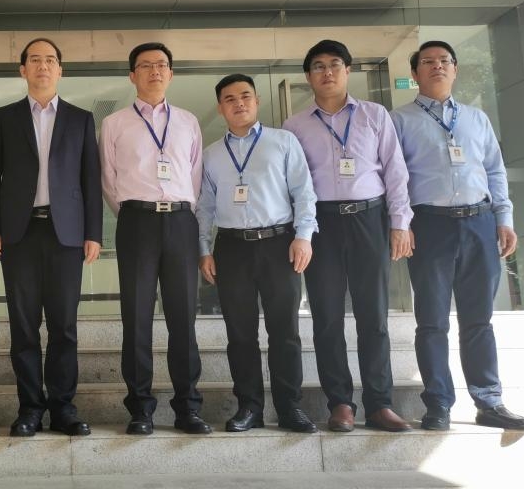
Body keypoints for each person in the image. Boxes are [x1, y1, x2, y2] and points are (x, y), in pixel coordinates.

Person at [390, 40, 524, 431]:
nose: (437, 66)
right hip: (430, 225)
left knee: (479, 320)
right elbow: (395, 178)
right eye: (427, 61)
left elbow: (495, 171)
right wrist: (401, 224)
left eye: (444, 60)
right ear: (415, 73)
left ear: (455, 69)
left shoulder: (476, 118)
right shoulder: (399, 120)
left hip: (479, 223)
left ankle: (489, 401)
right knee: (432, 321)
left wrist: (504, 218)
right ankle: (438, 404)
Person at [282, 40, 413, 433]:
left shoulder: (375, 115)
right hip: (321, 224)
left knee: (374, 316)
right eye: (318, 66)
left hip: (368, 219)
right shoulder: (294, 126)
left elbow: (395, 171)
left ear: (348, 70)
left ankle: (380, 404)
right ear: (308, 77)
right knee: (326, 318)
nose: (327, 72)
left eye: (335, 64)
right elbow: (293, 186)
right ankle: (340, 403)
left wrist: (400, 222)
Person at [0, 37, 102, 437]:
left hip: (67, 235)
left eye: (50, 60)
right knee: (24, 326)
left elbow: (91, 179)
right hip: (20, 233)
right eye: (35, 60)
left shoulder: (81, 119)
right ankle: (30, 409)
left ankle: (63, 408)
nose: (43, 66)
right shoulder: (4, 117)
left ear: (60, 69)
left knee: (64, 326)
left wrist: (94, 233)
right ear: (23, 69)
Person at [197, 73, 319, 434]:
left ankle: (289, 407)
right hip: (231, 247)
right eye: (230, 99)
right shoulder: (211, 154)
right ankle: (249, 407)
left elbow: (303, 191)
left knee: (285, 331)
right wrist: (204, 249)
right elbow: (204, 207)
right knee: (240, 333)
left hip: (279, 244)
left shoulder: (283, 142)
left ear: (257, 101)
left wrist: (304, 236)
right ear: (221, 107)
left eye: (245, 96)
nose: (239, 103)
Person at [99, 42, 208, 435]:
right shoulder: (114, 123)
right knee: (136, 318)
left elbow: (195, 176)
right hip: (137, 222)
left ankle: (188, 407)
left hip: (180, 221)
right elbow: (108, 180)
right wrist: (134, 213)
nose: (155, 71)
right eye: (145, 65)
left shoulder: (188, 121)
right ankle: (140, 408)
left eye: (162, 64)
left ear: (171, 74)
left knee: (183, 318)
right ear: (133, 75)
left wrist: (179, 210)